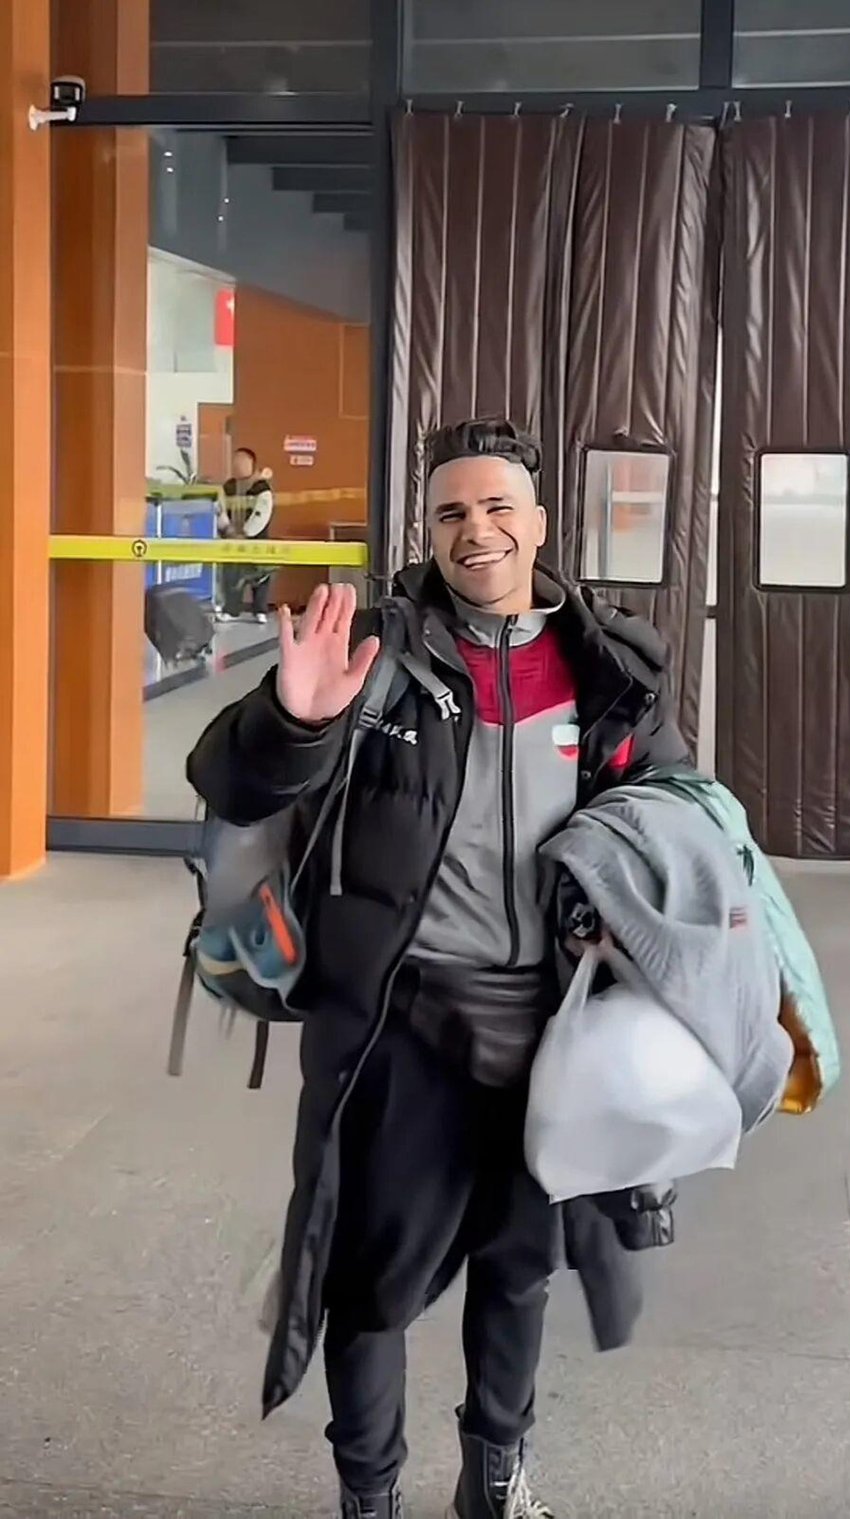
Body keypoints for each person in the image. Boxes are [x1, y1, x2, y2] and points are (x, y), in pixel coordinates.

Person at [187, 418, 689, 1519]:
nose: (478, 530)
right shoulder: (377, 651)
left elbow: (672, 822)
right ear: (430, 529)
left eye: (498, 506)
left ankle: (495, 1478)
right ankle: (370, 1495)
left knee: (520, 1271)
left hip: (549, 1033)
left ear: (539, 522)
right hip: (400, 1033)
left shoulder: (609, 665)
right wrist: (294, 718)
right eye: (453, 511)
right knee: (369, 1289)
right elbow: (231, 778)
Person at [217, 446, 275, 623]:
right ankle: (231, 609)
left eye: (243, 461)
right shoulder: (228, 486)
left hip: (255, 537)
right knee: (232, 575)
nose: (238, 464)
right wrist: (227, 529)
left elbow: (262, 512)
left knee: (259, 573)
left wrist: (246, 533)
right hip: (231, 537)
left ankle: (260, 610)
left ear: (252, 464)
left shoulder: (261, 487)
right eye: (235, 461)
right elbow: (219, 509)